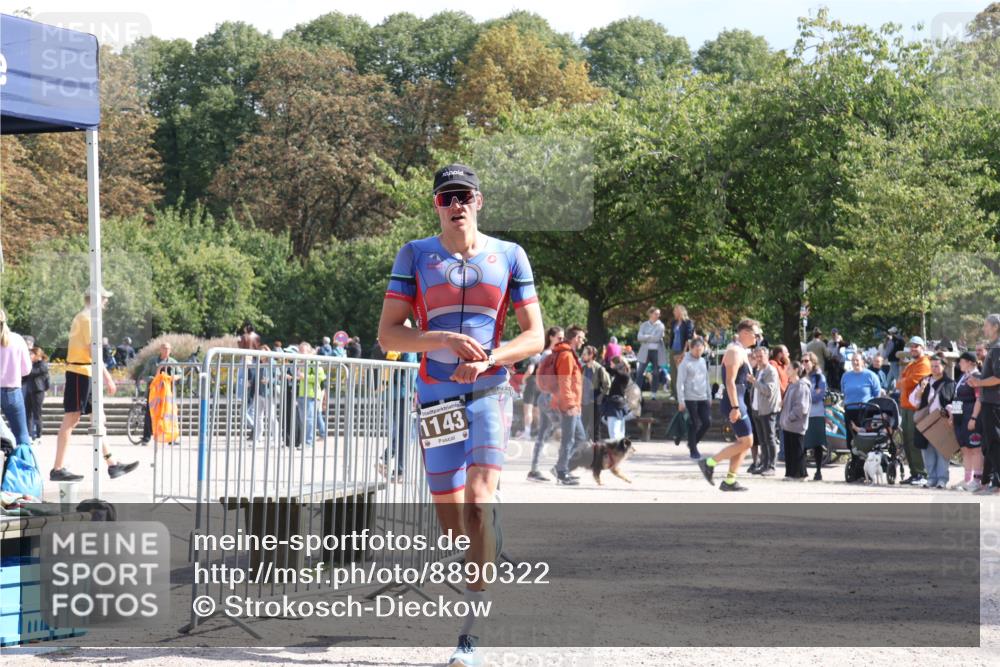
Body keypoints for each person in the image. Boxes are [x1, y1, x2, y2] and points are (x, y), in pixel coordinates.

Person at [377, 163, 544, 667]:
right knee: (453, 524)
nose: (456, 205)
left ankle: (469, 635)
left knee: (476, 503)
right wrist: (444, 339)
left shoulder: (510, 256)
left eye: (464, 196)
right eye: (446, 197)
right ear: (436, 205)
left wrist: (491, 358)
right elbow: (389, 335)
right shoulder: (416, 254)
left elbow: (534, 334)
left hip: (491, 391)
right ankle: (485, 536)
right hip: (436, 397)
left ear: (479, 200)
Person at [53, 291, 138, 482]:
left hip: (85, 373)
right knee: (71, 419)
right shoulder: (86, 318)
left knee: (97, 418)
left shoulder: (85, 317)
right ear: (96, 299)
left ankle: (113, 464)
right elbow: (93, 350)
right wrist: (108, 377)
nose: (106, 301)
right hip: (80, 373)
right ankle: (57, 468)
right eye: (104, 298)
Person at [697, 319, 762, 491]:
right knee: (747, 441)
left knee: (743, 442)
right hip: (734, 401)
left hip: (739, 400)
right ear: (745, 333)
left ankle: (730, 480)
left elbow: (738, 380)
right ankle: (709, 463)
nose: (758, 337)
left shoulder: (741, 352)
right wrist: (735, 407)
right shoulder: (734, 351)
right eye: (756, 334)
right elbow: (730, 382)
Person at [549, 326, 589, 485]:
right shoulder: (566, 355)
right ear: (573, 338)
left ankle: (560, 467)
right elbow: (564, 381)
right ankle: (561, 472)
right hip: (568, 404)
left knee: (580, 440)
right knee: (569, 440)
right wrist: (571, 404)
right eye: (581, 338)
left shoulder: (570, 355)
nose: (583, 341)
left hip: (573, 404)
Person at [911, 354, 955, 489]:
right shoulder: (924, 381)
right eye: (932, 366)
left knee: (942, 451)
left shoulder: (950, 384)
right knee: (927, 450)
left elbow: (955, 401)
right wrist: (920, 391)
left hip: (942, 421)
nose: (934, 368)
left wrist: (951, 413)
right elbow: (913, 401)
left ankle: (942, 479)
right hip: (926, 421)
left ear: (944, 366)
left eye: (937, 366)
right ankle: (931, 478)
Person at [968, 314, 1000, 494]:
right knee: (989, 444)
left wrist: (979, 383)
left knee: (994, 442)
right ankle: (989, 482)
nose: (983, 329)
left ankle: (997, 484)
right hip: (989, 401)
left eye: (986, 326)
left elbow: (998, 377)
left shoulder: (997, 348)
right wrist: (979, 379)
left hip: (994, 403)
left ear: (995, 327)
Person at [528, 327, 564, 482]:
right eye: (559, 338)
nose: (562, 341)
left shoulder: (549, 354)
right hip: (549, 397)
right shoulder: (549, 355)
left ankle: (534, 469)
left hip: (546, 397)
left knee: (543, 434)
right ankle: (560, 468)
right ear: (551, 337)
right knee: (566, 430)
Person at [898, 336, 931, 486]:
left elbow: (911, 381)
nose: (913, 349)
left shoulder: (924, 364)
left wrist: (903, 382)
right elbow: (902, 381)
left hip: (916, 409)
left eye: (916, 346)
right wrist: (904, 381)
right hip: (905, 407)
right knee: (907, 441)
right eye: (911, 346)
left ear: (922, 348)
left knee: (914, 442)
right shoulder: (912, 364)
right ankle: (914, 473)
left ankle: (921, 473)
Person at [951, 351, 984, 491]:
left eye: (961, 361)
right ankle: (967, 479)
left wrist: (974, 418)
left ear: (970, 362)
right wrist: (953, 414)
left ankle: (977, 480)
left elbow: (979, 399)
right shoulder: (963, 377)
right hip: (960, 416)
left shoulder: (977, 377)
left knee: (975, 448)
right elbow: (957, 397)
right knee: (965, 449)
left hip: (970, 415)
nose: (959, 364)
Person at [840, 350, 883, 452]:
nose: (855, 362)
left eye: (857, 360)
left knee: (865, 438)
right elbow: (843, 391)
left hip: (866, 411)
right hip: (850, 411)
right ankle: (855, 463)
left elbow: (877, 394)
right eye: (853, 360)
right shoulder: (846, 376)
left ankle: (866, 462)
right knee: (851, 440)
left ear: (863, 362)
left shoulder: (871, 375)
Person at [0, 310, 32, 445]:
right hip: (13, 390)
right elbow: (26, 370)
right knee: (22, 434)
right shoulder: (17, 339)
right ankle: (25, 464)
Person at [138, 342, 180, 446]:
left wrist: (175, 377)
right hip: (154, 393)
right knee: (149, 414)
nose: (166, 351)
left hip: (168, 394)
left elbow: (180, 374)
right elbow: (144, 375)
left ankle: (171, 438)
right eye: (164, 348)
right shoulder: (152, 361)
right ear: (160, 349)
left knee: (170, 415)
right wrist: (157, 379)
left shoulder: (173, 362)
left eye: (168, 349)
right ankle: (146, 438)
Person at [676, 337, 711, 459]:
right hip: (690, 398)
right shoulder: (685, 363)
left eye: (701, 350)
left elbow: (706, 379)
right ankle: (693, 450)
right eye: (696, 350)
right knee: (694, 424)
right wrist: (681, 401)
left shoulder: (702, 361)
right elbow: (679, 382)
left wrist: (709, 396)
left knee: (707, 422)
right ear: (691, 348)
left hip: (703, 397)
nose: (698, 352)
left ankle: (692, 443)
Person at [750, 346, 781, 476]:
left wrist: (754, 382)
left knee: (770, 438)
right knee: (762, 439)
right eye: (756, 357)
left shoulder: (771, 371)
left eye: (761, 356)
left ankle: (771, 467)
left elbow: (768, 390)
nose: (758, 359)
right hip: (757, 410)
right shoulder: (760, 371)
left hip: (768, 410)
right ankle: (764, 464)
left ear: (767, 356)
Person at [780, 361, 811, 480]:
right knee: (789, 450)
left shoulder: (802, 385)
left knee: (797, 450)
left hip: (796, 424)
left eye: (789, 369)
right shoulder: (792, 384)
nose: (786, 371)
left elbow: (801, 407)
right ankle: (790, 474)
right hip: (788, 425)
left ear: (796, 370)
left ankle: (801, 475)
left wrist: (789, 417)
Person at [802, 351, 828, 480]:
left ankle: (818, 471)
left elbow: (819, 395)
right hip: (803, 415)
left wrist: (803, 398)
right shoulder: (802, 376)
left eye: (807, 361)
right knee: (803, 444)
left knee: (817, 444)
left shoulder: (819, 377)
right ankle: (803, 471)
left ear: (813, 362)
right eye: (803, 361)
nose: (804, 364)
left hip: (816, 414)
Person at [580, 344, 610, 442]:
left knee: (595, 429)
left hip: (595, 399)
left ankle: (596, 451)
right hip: (584, 400)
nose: (582, 356)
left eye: (584, 354)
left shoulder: (599, 368)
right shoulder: (583, 368)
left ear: (591, 355)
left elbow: (607, 385)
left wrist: (599, 398)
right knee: (582, 426)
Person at [635, 307, 665, 396]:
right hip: (645, 351)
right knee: (640, 371)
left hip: (656, 351)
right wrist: (650, 336)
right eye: (656, 313)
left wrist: (646, 337)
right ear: (650, 314)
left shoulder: (661, 325)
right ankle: (637, 392)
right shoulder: (644, 325)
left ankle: (654, 393)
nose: (658, 315)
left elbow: (657, 338)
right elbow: (639, 337)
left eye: (659, 314)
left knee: (656, 372)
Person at [669, 305, 695, 400]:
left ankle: (685, 394)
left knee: (683, 373)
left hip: (683, 350)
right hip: (673, 349)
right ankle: (674, 394)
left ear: (680, 312)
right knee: (673, 372)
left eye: (675, 311)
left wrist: (684, 352)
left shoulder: (688, 323)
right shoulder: (673, 323)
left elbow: (689, 338)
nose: (674, 313)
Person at [603, 357, 632, 441]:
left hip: (616, 405)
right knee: (618, 433)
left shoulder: (624, 375)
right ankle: (620, 451)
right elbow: (610, 370)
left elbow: (611, 370)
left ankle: (617, 452)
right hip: (616, 404)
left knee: (614, 434)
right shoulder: (619, 375)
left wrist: (614, 365)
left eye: (612, 364)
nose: (611, 365)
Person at [25, 346, 50, 443]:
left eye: (31, 354)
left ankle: (39, 436)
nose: (30, 355)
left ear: (37, 355)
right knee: (28, 413)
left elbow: (31, 372)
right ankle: (30, 435)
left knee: (37, 414)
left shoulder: (42, 365)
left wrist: (27, 364)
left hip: (38, 391)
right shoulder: (32, 364)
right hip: (30, 390)